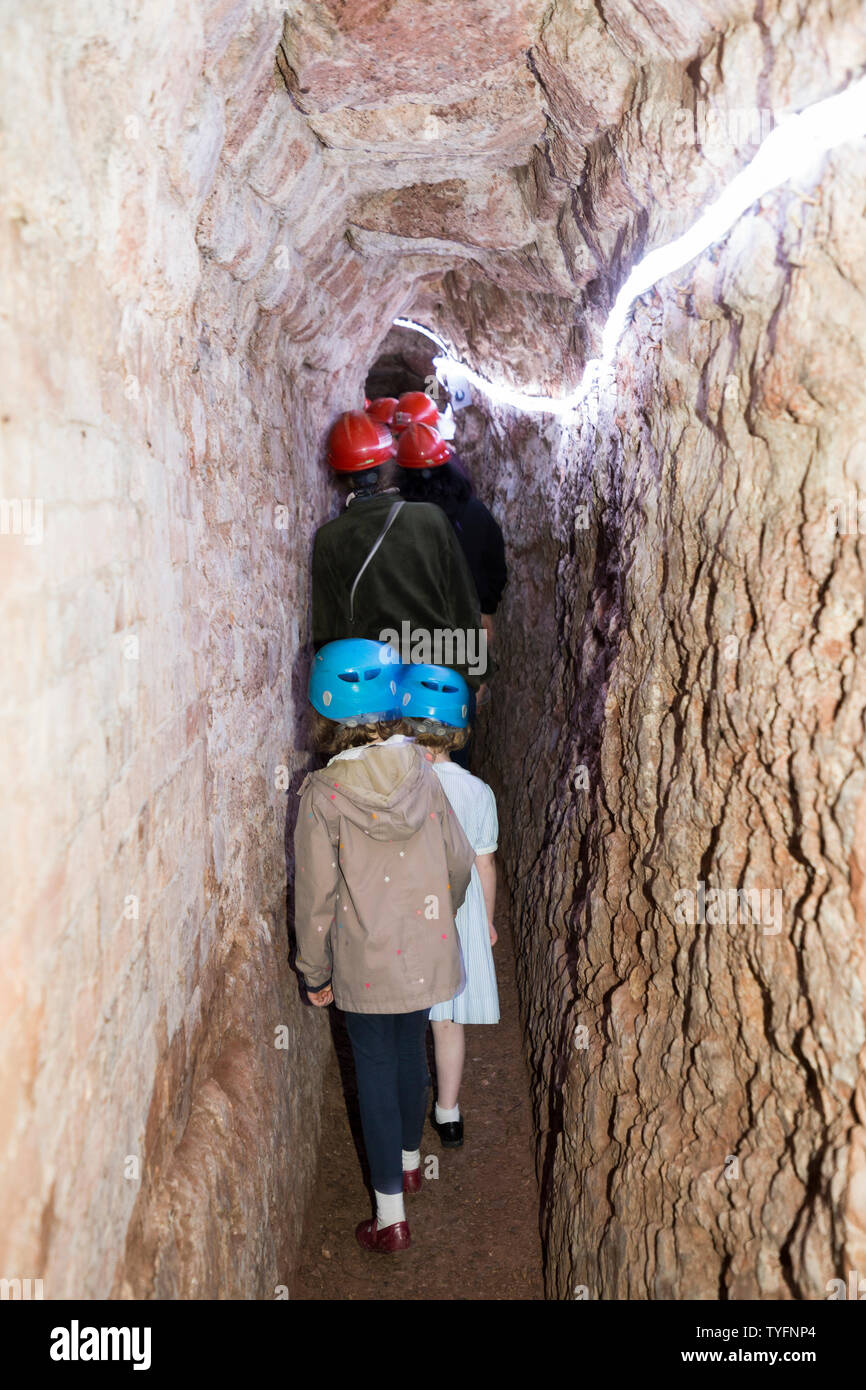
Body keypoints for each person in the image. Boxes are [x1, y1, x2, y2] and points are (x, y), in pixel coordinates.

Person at [294, 639, 476, 1253]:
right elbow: (457, 861)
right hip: (424, 952)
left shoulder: (323, 795)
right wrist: (437, 919)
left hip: (366, 961)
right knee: (409, 1054)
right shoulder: (424, 772)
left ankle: (391, 1217)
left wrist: (313, 969)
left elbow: (317, 897)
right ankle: (408, 1160)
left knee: (374, 1068)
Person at [397, 662, 500, 1149]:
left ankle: (404, 1111)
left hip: (407, 911)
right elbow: (485, 865)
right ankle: (449, 1111)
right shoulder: (478, 792)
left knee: (407, 1014)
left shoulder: (399, 787)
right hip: (458, 915)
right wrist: (489, 922)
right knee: (448, 1018)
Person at [312, 411, 486, 691]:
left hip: (374, 686)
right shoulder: (431, 518)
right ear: (389, 464)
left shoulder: (329, 539)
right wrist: (475, 679)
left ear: (338, 475)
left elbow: (327, 637)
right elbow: (464, 606)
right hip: (437, 679)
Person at [394, 422, 507, 637]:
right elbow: (495, 563)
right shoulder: (474, 510)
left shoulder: (398, 519)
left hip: (415, 630)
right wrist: (487, 608)